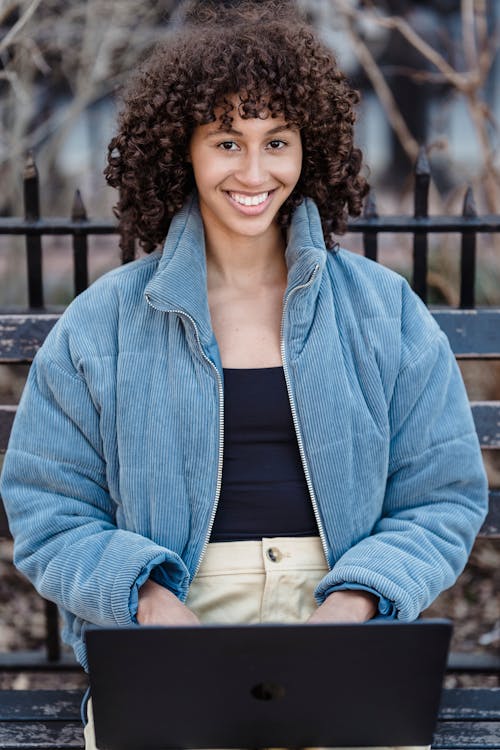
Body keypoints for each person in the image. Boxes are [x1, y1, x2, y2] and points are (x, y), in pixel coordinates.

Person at [1, 2, 488, 749]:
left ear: (308, 149)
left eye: (277, 142)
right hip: (174, 616)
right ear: (182, 151)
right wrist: (147, 600)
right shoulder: (104, 322)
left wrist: (359, 599)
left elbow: (442, 493)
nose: (255, 172)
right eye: (227, 141)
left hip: (344, 614)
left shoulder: (382, 309)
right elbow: (47, 505)